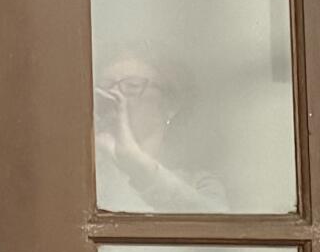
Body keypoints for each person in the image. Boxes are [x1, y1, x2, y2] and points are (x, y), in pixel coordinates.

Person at [93, 53, 228, 213]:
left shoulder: (198, 183)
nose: (114, 94)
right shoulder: (91, 180)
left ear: (170, 105)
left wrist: (136, 164)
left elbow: (216, 225)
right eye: (105, 86)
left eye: (132, 86)